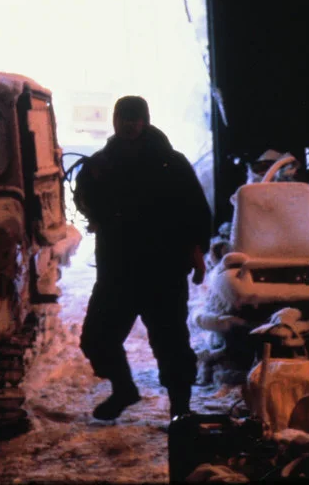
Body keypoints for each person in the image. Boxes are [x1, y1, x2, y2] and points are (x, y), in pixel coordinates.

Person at [74, 96, 211, 421]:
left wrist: (197, 250)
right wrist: (90, 200)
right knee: (96, 339)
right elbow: (82, 199)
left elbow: (196, 209)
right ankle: (123, 389)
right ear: (115, 120)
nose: (129, 124)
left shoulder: (171, 163)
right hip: (117, 272)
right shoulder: (100, 164)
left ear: (145, 121)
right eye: (124, 117)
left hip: (163, 271)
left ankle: (181, 410)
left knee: (172, 345)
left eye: (135, 118)